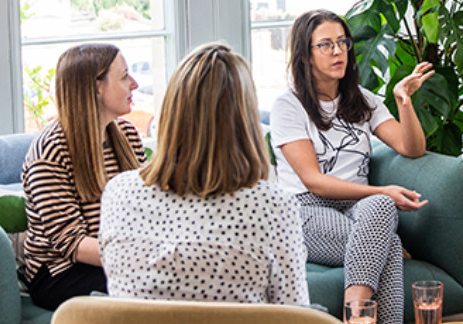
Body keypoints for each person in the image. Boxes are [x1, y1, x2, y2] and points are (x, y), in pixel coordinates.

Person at [98, 43, 309, 306]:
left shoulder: (118, 193)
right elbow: (294, 320)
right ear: (245, 119)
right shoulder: (273, 206)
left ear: (172, 111)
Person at [270, 9, 436, 324]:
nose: (338, 52)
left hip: (356, 209)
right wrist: (381, 190)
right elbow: (314, 182)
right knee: (384, 240)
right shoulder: (287, 107)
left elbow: (412, 147)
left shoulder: (362, 100)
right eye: (326, 45)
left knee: (380, 208)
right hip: (303, 210)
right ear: (305, 56)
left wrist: (403, 101)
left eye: (343, 42)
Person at [20, 43, 147, 311]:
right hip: (60, 272)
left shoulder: (127, 135)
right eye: (124, 76)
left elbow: (146, 208)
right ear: (97, 88)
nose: (134, 84)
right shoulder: (51, 151)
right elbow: (73, 244)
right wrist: (140, 256)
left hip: (116, 254)